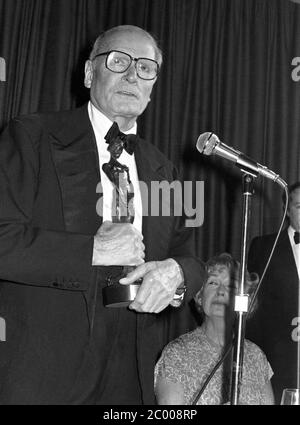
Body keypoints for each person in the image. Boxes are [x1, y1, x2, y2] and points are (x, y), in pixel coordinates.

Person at [0, 25, 205, 404]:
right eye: (119, 61)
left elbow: (192, 259)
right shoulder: (31, 136)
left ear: (153, 84)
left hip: (131, 375)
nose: (132, 75)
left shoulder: (164, 169)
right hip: (46, 373)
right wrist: (91, 250)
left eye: (146, 68)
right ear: (90, 73)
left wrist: (177, 273)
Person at [154, 253, 274, 405]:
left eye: (230, 285)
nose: (221, 291)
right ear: (199, 296)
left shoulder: (256, 356)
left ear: (244, 300)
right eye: (213, 283)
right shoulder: (177, 353)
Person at [246, 181, 300, 404]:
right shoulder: (264, 247)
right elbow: (254, 310)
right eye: (299, 206)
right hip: (278, 362)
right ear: (287, 209)